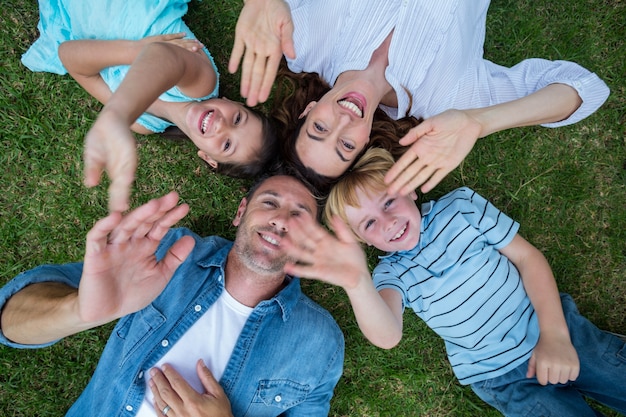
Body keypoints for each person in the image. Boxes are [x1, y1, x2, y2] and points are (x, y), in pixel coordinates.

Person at [280, 148, 626, 416]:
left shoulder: (459, 207)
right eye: (369, 225)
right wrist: (357, 283)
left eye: (388, 202)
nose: (387, 222)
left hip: (554, 328)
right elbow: (388, 335)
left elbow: (527, 257)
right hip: (504, 378)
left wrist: (554, 334)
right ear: (363, 242)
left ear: (410, 190)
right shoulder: (390, 275)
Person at [0, 175, 344, 416]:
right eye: (270, 202)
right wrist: (78, 311)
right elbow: (10, 322)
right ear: (241, 212)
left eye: (299, 217)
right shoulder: (171, 252)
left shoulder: (320, 343)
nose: (281, 220)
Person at [229, 0, 609, 195]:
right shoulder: (446, 100)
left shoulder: (302, 45)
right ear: (364, 145)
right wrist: (480, 122)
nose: (344, 120)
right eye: (345, 144)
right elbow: (584, 90)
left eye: (320, 128)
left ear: (308, 110)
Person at [23, 0, 278, 212]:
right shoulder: (202, 82)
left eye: (227, 145)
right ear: (231, 102)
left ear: (208, 158)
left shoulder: (144, 124)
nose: (222, 125)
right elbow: (163, 56)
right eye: (238, 119)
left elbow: (69, 55)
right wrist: (118, 109)